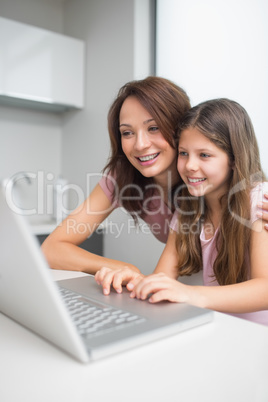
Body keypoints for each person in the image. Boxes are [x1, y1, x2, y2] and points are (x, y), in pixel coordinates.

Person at [108, 98, 268, 325]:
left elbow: (265, 290)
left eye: (204, 155)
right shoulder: (189, 208)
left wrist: (191, 294)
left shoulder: (259, 199)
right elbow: (163, 277)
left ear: (233, 159)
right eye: (184, 153)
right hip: (220, 330)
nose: (190, 165)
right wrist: (130, 281)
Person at [41, 76, 191, 274]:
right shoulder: (123, 176)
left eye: (153, 128)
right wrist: (123, 267)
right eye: (127, 133)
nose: (140, 144)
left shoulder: (200, 179)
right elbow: (51, 249)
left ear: (181, 128)